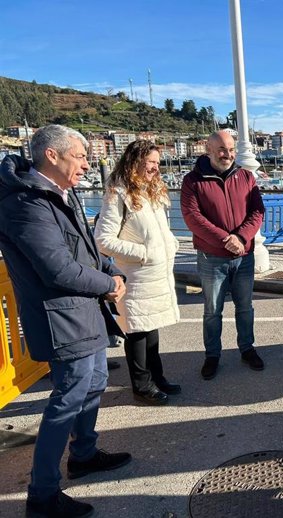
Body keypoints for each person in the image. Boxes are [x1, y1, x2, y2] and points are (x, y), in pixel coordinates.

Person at [0, 125, 131, 518]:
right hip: (61, 319)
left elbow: (83, 247)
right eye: (80, 156)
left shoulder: (58, 192)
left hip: (83, 311)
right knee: (67, 399)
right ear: (52, 156)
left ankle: (84, 454)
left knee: (95, 383)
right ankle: (42, 496)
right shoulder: (25, 202)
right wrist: (108, 283)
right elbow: (56, 269)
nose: (87, 165)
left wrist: (107, 267)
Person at [95, 139, 181, 405]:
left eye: (157, 162)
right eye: (151, 163)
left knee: (150, 329)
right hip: (136, 276)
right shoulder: (117, 192)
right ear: (135, 162)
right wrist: (145, 253)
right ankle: (142, 386)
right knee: (137, 333)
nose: (156, 168)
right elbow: (102, 239)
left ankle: (157, 378)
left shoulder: (150, 190)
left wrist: (170, 244)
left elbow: (158, 231)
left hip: (155, 275)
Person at [181, 130, 265, 380]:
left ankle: (247, 348)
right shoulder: (192, 181)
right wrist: (225, 240)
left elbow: (257, 211)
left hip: (243, 256)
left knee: (245, 307)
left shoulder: (246, 177)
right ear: (208, 150)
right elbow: (192, 217)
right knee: (212, 310)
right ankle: (212, 355)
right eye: (221, 150)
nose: (227, 155)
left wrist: (240, 238)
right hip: (212, 258)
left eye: (230, 150)